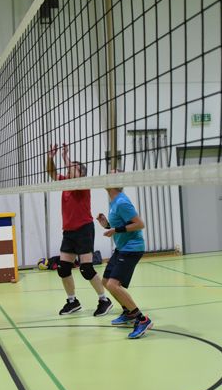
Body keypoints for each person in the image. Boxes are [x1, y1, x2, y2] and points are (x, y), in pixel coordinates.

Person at [46, 142, 112, 317]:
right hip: (69, 232)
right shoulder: (65, 183)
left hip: (84, 229)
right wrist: (51, 158)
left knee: (86, 269)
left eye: (73, 168)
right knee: (63, 268)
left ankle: (104, 300)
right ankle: (72, 301)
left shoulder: (83, 184)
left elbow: (75, 176)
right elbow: (51, 173)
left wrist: (65, 157)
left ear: (81, 173)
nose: (68, 169)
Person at [96, 171, 151, 339]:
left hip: (132, 248)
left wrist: (115, 230)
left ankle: (142, 319)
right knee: (105, 281)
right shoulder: (114, 201)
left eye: (110, 174)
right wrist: (107, 226)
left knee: (113, 285)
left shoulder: (121, 201)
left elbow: (139, 224)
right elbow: (121, 224)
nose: (105, 176)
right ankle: (128, 312)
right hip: (122, 247)